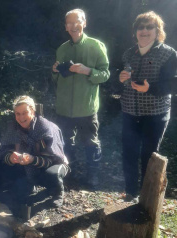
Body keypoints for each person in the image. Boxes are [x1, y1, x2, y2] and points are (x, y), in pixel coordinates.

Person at [119, 11, 177, 202]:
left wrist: (150, 88)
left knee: (149, 155)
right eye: (140, 27)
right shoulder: (129, 53)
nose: (144, 31)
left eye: (149, 27)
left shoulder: (168, 53)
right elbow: (119, 78)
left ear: (157, 30)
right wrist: (120, 78)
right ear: (135, 31)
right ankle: (130, 193)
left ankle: (146, 197)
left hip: (155, 114)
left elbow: (172, 84)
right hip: (129, 112)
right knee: (129, 153)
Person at [52, 8, 110, 187]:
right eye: (69, 23)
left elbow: (105, 74)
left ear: (84, 23)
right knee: (65, 142)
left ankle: (92, 177)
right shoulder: (62, 49)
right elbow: (56, 79)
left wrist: (87, 71)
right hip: (64, 108)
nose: (73, 26)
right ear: (65, 27)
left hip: (86, 107)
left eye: (77, 22)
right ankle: (69, 174)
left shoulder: (96, 45)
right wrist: (55, 71)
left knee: (90, 142)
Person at [0, 96, 68, 215]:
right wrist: (10, 156)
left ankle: (57, 192)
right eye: (17, 114)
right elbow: (2, 149)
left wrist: (32, 159)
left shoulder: (45, 128)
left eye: (25, 113)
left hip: (54, 162)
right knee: (7, 174)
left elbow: (52, 158)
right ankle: (29, 186)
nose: (21, 118)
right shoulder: (13, 127)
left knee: (52, 175)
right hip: (27, 164)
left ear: (33, 112)